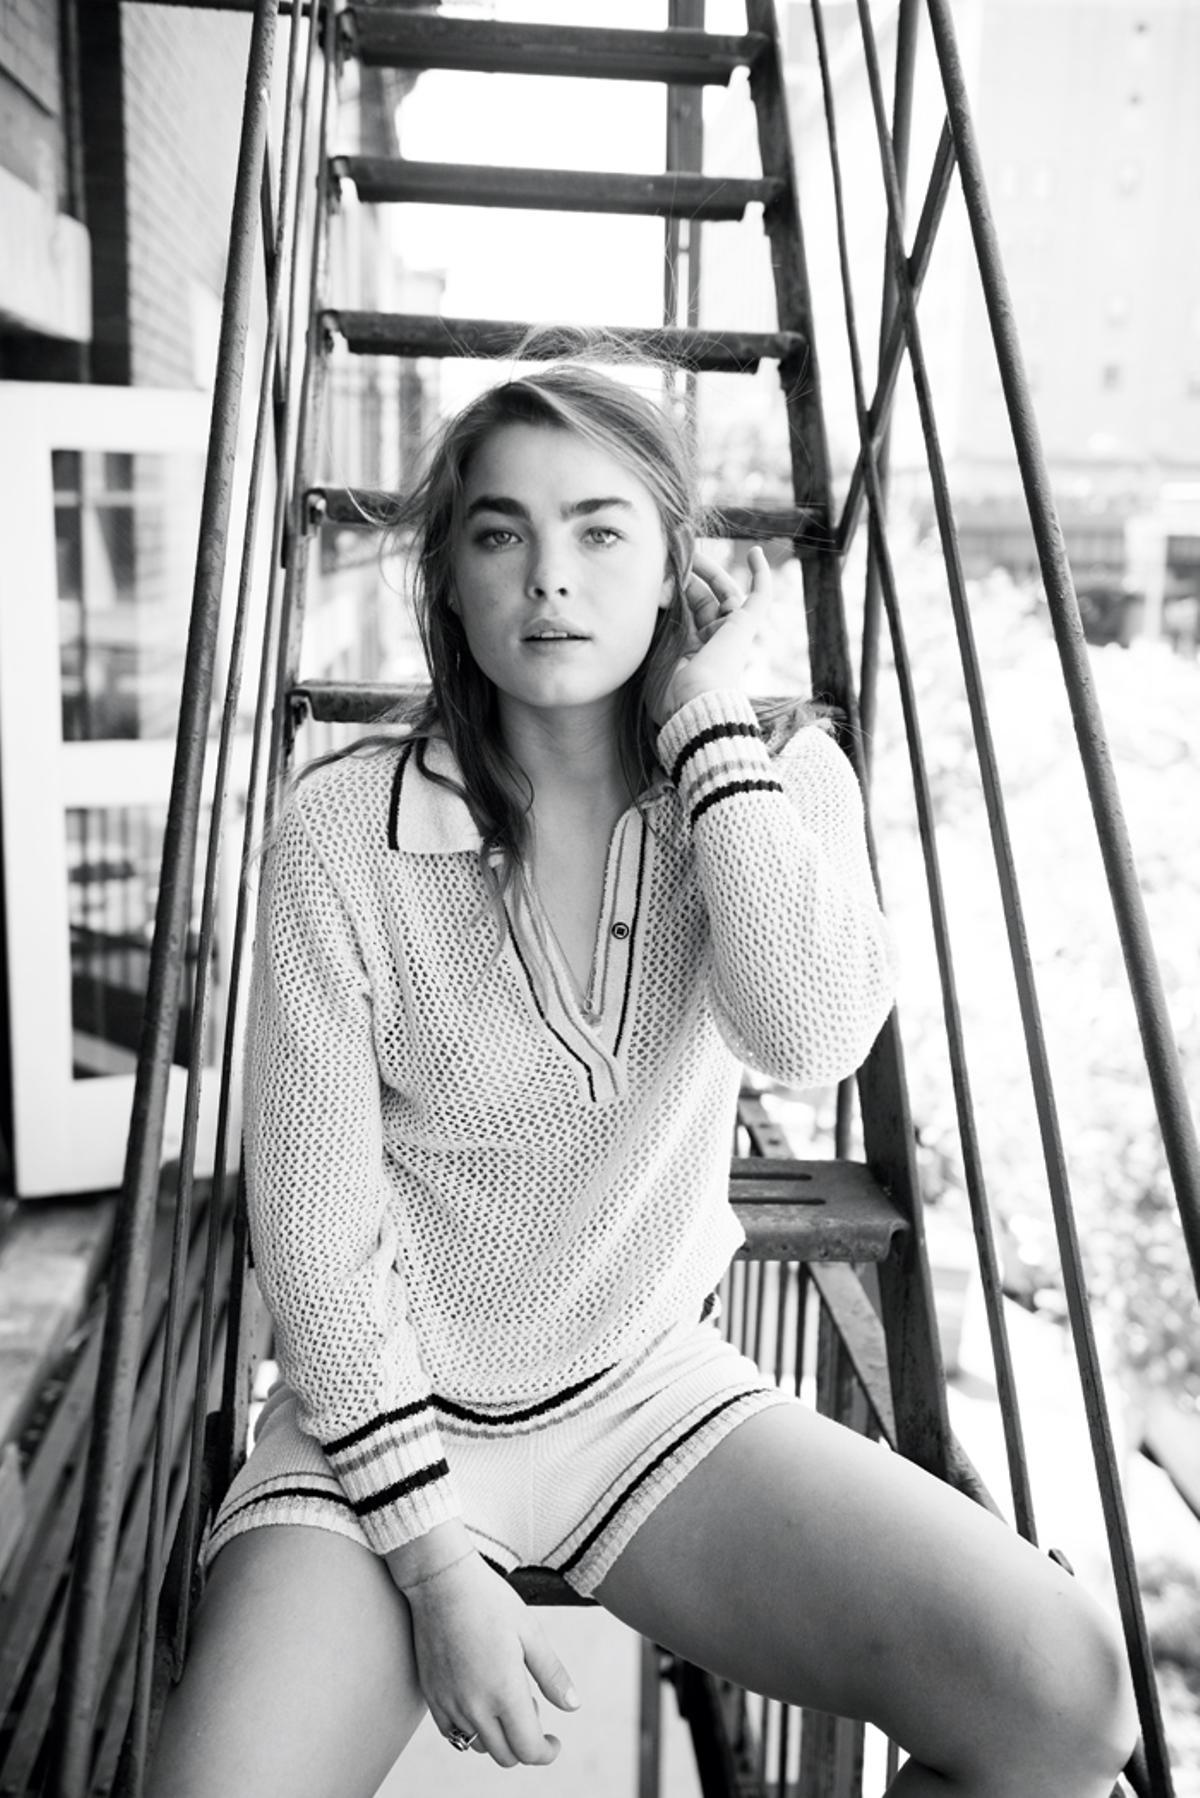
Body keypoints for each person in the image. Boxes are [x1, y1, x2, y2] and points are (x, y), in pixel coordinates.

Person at [147, 361, 1136, 1797]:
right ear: (450, 580)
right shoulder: (343, 833)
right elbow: (313, 1240)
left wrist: (710, 724)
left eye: (601, 530)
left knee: (1069, 1700)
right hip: (384, 1425)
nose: (549, 576)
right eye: (500, 533)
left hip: (645, 1394)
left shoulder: (774, 782)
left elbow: (810, 1033)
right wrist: (436, 1567)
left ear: (677, 564)